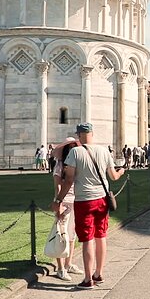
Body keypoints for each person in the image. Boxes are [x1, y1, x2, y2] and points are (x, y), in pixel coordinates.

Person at [51, 123, 124, 289]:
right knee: (101, 236)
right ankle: (98, 274)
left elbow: (68, 180)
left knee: (87, 239)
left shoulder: (75, 152)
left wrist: (58, 200)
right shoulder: (104, 151)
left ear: (78, 135)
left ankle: (87, 278)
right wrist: (121, 172)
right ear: (92, 133)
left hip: (84, 200)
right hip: (102, 199)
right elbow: (113, 176)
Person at [51, 137, 84, 281]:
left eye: (74, 147)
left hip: (76, 201)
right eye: (70, 148)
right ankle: (60, 268)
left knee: (72, 236)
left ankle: (69, 263)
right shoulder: (59, 165)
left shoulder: (76, 165)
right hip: (64, 202)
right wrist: (59, 203)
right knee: (61, 235)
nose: (73, 149)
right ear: (66, 150)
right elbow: (58, 186)